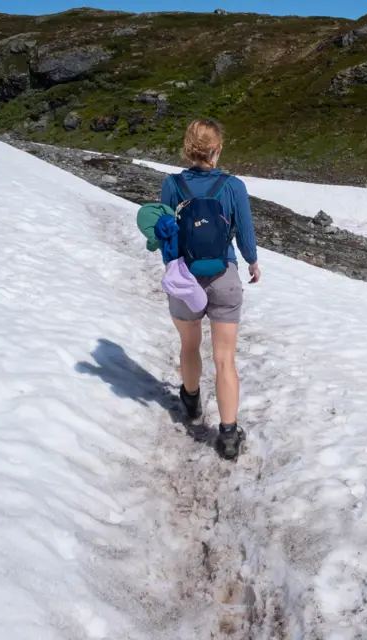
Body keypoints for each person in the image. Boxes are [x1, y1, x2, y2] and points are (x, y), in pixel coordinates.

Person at [160, 118, 260, 460]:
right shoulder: (233, 186)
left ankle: (190, 401)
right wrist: (252, 262)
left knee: (189, 344)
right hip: (224, 275)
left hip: (186, 277)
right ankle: (229, 435)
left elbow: (166, 232)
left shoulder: (171, 185)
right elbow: (245, 233)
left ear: (189, 148)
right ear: (216, 149)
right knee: (225, 358)